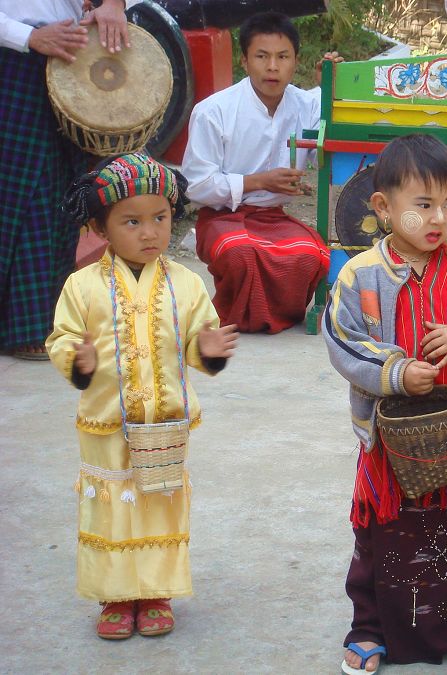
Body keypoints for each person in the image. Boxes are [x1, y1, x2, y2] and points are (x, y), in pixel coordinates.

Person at [323, 134, 447, 674]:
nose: (440, 219)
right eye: (423, 205)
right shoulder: (358, 273)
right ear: (382, 207)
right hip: (388, 436)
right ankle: (369, 627)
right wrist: (395, 371)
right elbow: (342, 339)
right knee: (384, 527)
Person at [46, 153, 239, 639]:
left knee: (159, 503)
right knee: (111, 506)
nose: (150, 232)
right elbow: (62, 337)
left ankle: (155, 591)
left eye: (160, 218)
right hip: (106, 421)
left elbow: (198, 340)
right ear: (100, 226)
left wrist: (207, 349)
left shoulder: (187, 284)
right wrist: (77, 358)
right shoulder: (82, 285)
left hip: (164, 426)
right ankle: (115, 595)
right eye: (132, 221)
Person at [181, 11, 339, 334]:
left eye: (283, 57)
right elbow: (195, 186)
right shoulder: (214, 111)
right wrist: (258, 182)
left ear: (296, 61)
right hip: (221, 216)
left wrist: (331, 82)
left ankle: (277, 314)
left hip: (273, 217)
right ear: (244, 60)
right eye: (262, 56)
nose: (272, 67)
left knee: (313, 255)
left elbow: (335, 106)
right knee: (239, 253)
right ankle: (242, 315)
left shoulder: (307, 105)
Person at [0, 0, 138, 360]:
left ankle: (46, 316)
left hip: (71, 54)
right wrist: (28, 36)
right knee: (27, 194)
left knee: (65, 192)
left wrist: (113, 4)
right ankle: (25, 325)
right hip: (11, 58)